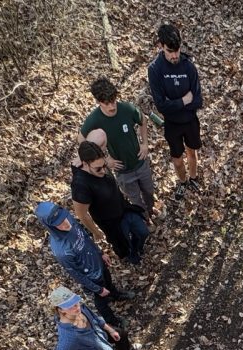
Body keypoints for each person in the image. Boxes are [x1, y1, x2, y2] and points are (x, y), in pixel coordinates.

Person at [35, 201, 132, 328]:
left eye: (63, 218)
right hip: (91, 277)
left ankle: (115, 295)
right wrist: (97, 289)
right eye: (59, 223)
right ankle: (113, 321)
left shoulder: (69, 219)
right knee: (101, 301)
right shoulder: (62, 250)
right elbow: (76, 274)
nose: (65, 223)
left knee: (108, 282)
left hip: (98, 263)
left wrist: (100, 253)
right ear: (51, 226)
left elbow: (85, 237)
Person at [79, 77, 156, 218]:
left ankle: (151, 209)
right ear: (98, 102)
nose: (112, 107)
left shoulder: (126, 108)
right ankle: (144, 218)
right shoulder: (94, 119)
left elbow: (142, 120)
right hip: (123, 170)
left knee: (149, 191)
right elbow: (82, 140)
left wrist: (145, 143)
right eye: (106, 103)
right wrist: (105, 160)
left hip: (140, 162)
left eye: (113, 101)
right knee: (135, 199)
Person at [70, 140, 150, 265]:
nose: (103, 170)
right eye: (98, 169)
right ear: (85, 164)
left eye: (104, 166)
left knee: (143, 231)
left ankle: (137, 247)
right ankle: (131, 255)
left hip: (123, 208)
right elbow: (82, 214)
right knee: (123, 245)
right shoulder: (80, 185)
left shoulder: (100, 163)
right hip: (110, 221)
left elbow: (101, 134)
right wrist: (96, 232)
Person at [148, 23, 203, 201]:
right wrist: (183, 101)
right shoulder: (155, 69)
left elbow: (198, 100)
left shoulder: (188, 66)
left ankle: (193, 178)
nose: (175, 55)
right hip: (172, 124)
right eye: (170, 51)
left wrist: (175, 103)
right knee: (178, 160)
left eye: (177, 50)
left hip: (190, 120)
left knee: (192, 153)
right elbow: (161, 106)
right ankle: (183, 181)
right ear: (161, 46)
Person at [50, 286, 130, 350]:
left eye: (75, 302)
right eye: (70, 306)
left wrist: (111, 330)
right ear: (60, 310)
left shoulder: (81, 308)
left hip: (101, 334)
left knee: (122, 334)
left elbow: (95, 318)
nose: (77, 307)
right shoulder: (69, 337)